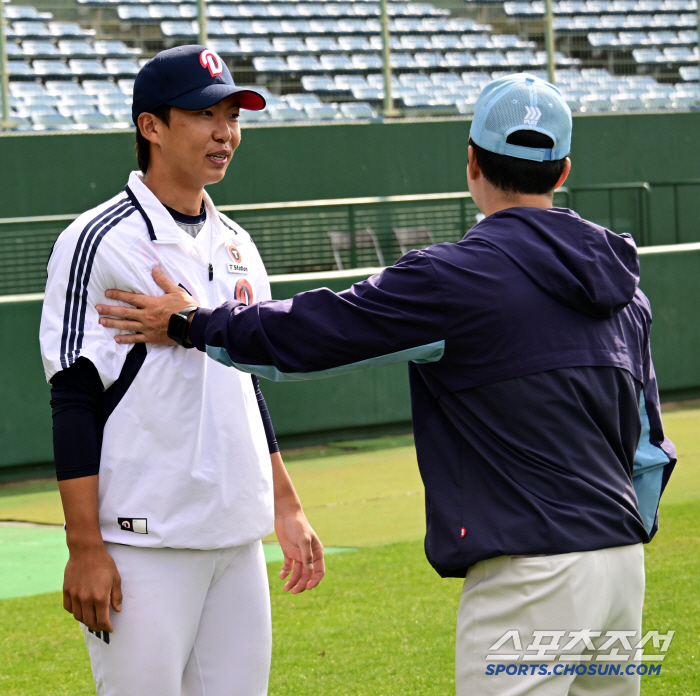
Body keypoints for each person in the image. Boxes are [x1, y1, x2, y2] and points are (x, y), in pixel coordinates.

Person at [96, 74, 676, 696]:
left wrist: (190, 321)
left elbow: (314, 334)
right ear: (561, 173)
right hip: (621, 565)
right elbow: (647, 447)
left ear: (472, 162)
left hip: (531, 572)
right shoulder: (625, 289)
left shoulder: (455, 277)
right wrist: (615, 535)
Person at [40, 45, 324, 696]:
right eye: (204, 113)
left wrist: (287, 505)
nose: (225, 132)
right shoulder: (98, 239)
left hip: (236, 537)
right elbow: (75, 393)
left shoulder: (237, 245)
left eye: (233, 114)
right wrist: (85, 546)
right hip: (143, 542)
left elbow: (245, 380)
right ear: (152, 126)